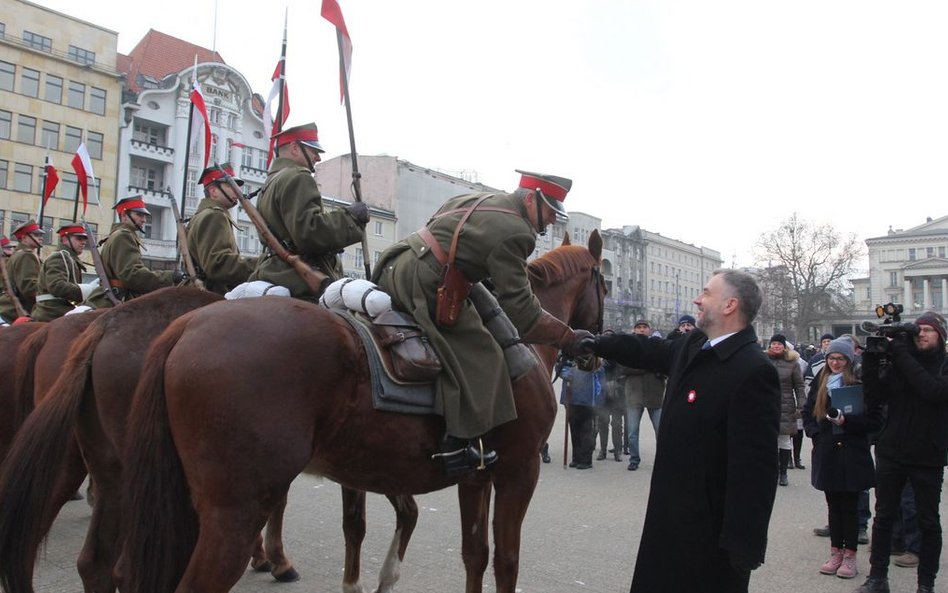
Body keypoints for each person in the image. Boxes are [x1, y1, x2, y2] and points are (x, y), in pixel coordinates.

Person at [373, 170, 592, 475]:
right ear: (531, 199)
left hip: (394, 264)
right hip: (426, 280)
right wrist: (567, 337)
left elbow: (453, 237)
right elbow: (524, 315)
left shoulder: (478, 198)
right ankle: (457, 442)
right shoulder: (518, 231)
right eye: (551, 211)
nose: (553, 220)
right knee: (484, 353)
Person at [584, 268, 781, 593]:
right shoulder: (693, 344)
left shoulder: (753, 370)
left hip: (709, 535)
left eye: (706, 293)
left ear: (730, 305)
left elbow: (756, 470)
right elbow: (648, 350)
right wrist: (597, 343)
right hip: (669, 517)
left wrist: (744, 545)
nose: (697, 299)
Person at [853, 311, 948, 593]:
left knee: (929, 522)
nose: (922, 334)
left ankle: (925, 584)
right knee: (883, 517)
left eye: (929, 330)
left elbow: (932, 391)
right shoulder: (902, 364)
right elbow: (875, 396)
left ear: (941, 336)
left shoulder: (942, 365)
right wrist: (870, 359)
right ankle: (877, 578)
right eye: (918, 329)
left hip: (928, 456)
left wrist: (900, 351)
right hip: (892, 451)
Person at [249, 122, 366, 299]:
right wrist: (350, 217)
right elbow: (310, 232)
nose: (317, 158)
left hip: (274, 272)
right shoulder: (298, 176)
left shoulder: (270, 183)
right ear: (295, 148)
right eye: (313, 151)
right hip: (296, 278)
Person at [803, 337, 883, 580]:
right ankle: (835, 551)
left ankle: (850, 555)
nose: (835, 363)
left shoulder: (860, 382)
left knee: (849, 506)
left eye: (840, 359)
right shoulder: (821, 379)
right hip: (827, 449)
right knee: (833, 505)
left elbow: (875, 420)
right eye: (832, 358)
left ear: (849, 360)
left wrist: (848, 423)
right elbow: (808, 411)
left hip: (851, 450)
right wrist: (815, 433)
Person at [84, 197, 184, 308]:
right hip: (118, 298)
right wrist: (170, 277)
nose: (144, 220)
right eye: (139, 215)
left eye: (144, 216)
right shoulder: (124, 236)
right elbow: (132, 275)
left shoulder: (118, 235)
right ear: (124, 216)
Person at [186, 163, 256, 295]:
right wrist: (261, 265)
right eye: (230, 186)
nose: (237, 190)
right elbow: (218, 265)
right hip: (213, 294)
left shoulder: (204, 215)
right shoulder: (214, 216)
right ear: (213, 191)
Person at [617, 319, 665, 471]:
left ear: (649, 330)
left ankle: (663, 460)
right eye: (639, 327)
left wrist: (651, 368)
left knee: (661, 430)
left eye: (645, 327)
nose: (642, 330)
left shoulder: (658, 346)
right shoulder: (628, 347)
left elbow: (665, 366)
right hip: (634, 395)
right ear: (634, 330)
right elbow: (623, 368)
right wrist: (647, 366)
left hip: (655, 395)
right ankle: (634, 459)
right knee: (632, 432)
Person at [31, 224, 98, 321]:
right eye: (79, 238)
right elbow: (56, 286)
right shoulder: (59, 256)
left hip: (62, 308)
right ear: (65, 239)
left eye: (85, 239)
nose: (83, 242)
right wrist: (87, 290)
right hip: (52, 311)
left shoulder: (69, 257)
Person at [765, 334, 805, 487]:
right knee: (768, 440)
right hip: (766, 405)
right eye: (773, 343)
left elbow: (799, 386)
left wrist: (802, 405)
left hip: (785, 405)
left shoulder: (793, 363)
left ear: (784, 347)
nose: (776, 346)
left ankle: (783, 473)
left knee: (784, 440)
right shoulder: (762, 360)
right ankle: (771, 471)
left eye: (779, 344)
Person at [561, 359, 604, 470]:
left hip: (588, 400)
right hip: (572, 399)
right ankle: (576, 458)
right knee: (575, 430)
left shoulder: (593, 357)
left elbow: (598, 371)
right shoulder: (569, 354)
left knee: (586, 430)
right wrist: (567, 372)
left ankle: (586, 460)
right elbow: (561, 368)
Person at [0, 220, 45, 321]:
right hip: (16, 311)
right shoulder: (27, 255)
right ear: (24, 238)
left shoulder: (20, 254)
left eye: (41, 234)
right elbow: (29, 288)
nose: (41, 237)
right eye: (36, 235)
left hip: (12, 309)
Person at [596, 359, 625, 462]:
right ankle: (603, 450)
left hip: (618, 394)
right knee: (603, 423)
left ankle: (617, 451)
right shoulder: (603, 361)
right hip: (604, 395)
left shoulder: (621, 357)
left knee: (617, 425)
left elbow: (624, 373)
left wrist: (617, 383)